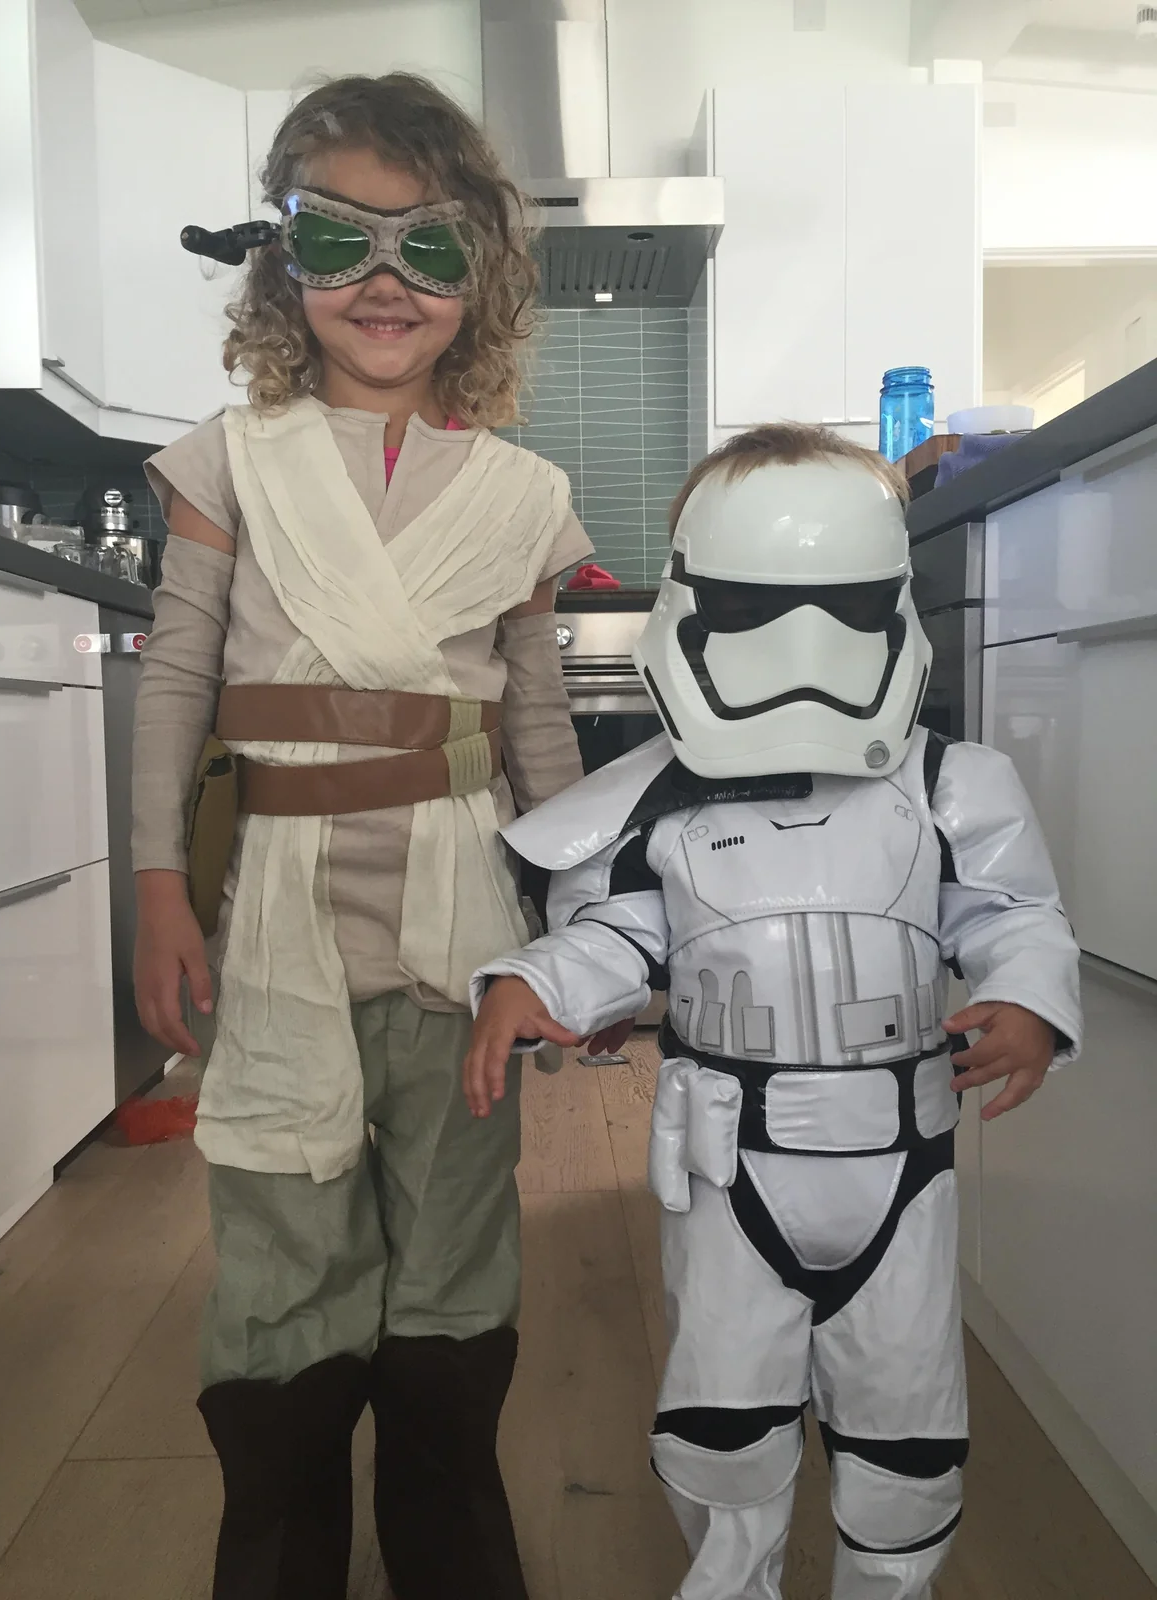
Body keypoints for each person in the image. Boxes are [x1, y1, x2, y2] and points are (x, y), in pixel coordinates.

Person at [465, 424, 1083, 1600]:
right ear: (694, 611)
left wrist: (1025, 998)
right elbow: (616, 932)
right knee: (721, 1422)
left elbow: (1012, 914)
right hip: (729, 1168)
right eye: (753, 610)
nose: (800, 651)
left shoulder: (947, 785)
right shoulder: (657, 802)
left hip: (903, 1170)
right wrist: (537, 982)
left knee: (906, 1431)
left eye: (837, 608)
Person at [131, 72, 595, 1600]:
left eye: (430, 246)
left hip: (462, 940)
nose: (387, 282)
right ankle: (280, 1544)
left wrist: (581, 932)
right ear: (285, 261)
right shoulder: (231, 460)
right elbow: (178, 679)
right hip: (277, 932)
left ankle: (450, 1533)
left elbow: (538, 727)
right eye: (342, 240)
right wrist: (157, 887)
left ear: (483, 271)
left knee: (456, 1246)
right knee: (282, 1243)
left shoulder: (523, 496)